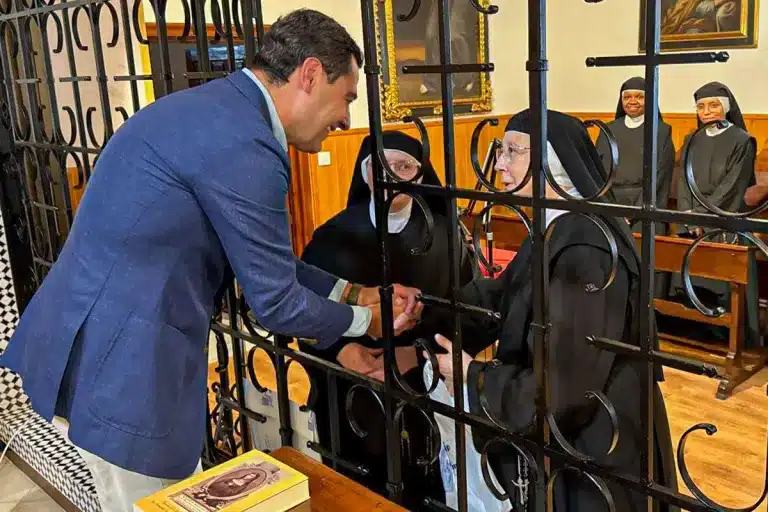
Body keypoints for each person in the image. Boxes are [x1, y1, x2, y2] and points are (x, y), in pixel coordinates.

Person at [0, 9, 422, 511]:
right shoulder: (248, 145)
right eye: (347, 97)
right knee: (152, 503)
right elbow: (277, 304)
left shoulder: (219, 110)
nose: (348, 120)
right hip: (126, 366)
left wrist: (353, 292)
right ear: (310, 74)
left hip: (93, 340)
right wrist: (367, 320)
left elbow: (266, 260)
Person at [429, 110, 678, 511]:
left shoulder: (585, 248)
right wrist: (428, 311)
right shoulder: (557, 225)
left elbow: (566, 384)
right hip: (577, 431)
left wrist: (474, 377)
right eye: (500, 150)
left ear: (554, 161)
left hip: (598, 441)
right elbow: (503, 296)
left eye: (513, 152)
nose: (499, 164)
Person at [298, 131, 476, 510]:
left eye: (403, 166)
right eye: (380, 166)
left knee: (424, 488)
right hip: (348, 391)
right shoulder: (331, 237)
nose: (391, 176)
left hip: (422, 385)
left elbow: (467, 314)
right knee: (354, 491)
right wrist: (341, 351)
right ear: (365, 174)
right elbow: (303, 313)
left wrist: (420, 355)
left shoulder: (446, 238)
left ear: (419, 175)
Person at [665, 81, 760, 347]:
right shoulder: (691, 139)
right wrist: (688, 216)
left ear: (726, 108)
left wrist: (704, 218)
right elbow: (684, 182)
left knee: (722, 277)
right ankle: (690, 329)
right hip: (692, 219)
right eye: (701, 106)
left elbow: (733, 186)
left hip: (724, 217)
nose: (706, 111)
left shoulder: (742, 140)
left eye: (713, 105)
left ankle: (725, 335)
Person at [596, 76, 675, 224]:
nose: (632, 101)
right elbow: (598, 171)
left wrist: (635, 211)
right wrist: (610, 208)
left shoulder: (661, 131)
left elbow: (661, 176)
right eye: (627, 97)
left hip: (647, 205)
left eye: (639, 97)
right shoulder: (608, 130)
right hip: (611, 204)